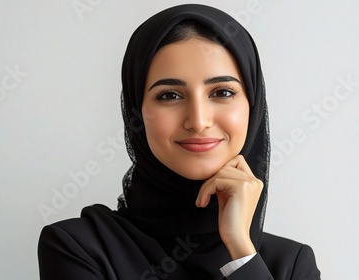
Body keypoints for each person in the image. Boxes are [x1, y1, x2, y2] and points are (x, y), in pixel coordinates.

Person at [38, 4, 320, 279]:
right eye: (169, 95)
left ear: (253, 106)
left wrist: (241, 251)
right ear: (136, 110)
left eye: (222, 92)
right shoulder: (78, 247)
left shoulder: (290, 264)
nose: (197, 121)